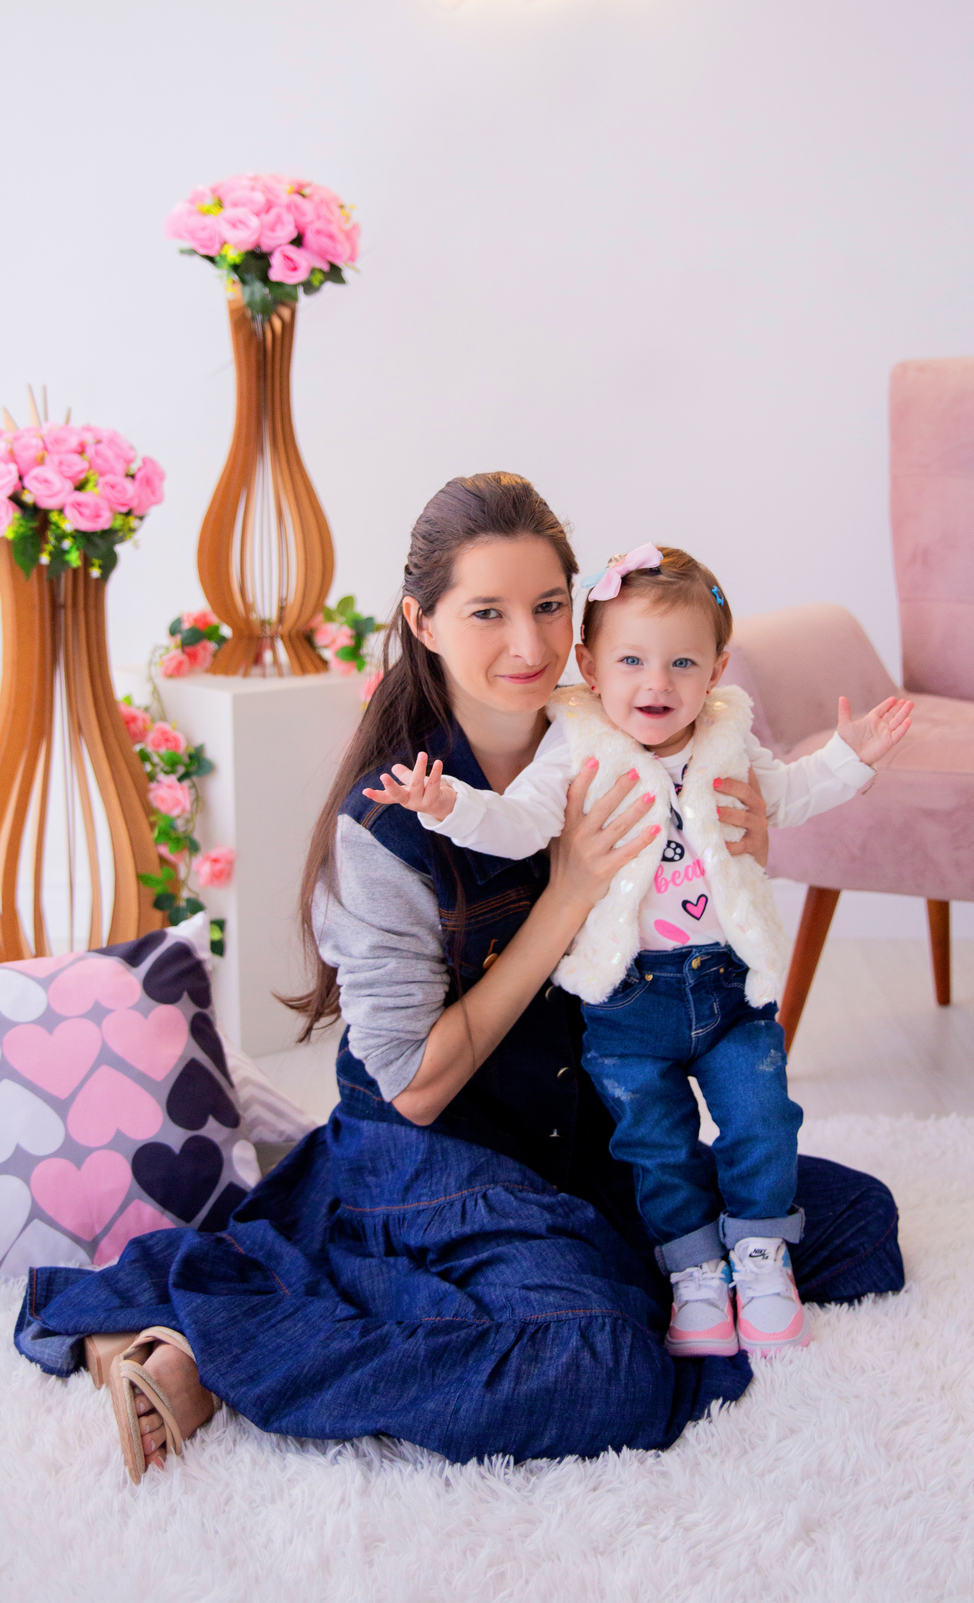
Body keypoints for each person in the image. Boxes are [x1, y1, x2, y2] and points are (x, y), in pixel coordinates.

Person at [14, 474, 904, 1478]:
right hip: (436, 1157)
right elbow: (417, 1085)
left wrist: (733, 852)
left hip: (585, 1131)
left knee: (854, 1226)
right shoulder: (392, 826)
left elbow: (701, 894)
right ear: (423, 624)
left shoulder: (626, 742)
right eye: (487, 612)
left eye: (548, 607)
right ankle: (221, 1347)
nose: (525, 645)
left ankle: (449, 1279)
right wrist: (566, 895)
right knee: (603, 1362)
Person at [362, 541, 912, 1360]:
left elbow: (787, 795)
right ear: (592, 664)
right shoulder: (575, 746)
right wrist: (447, 804)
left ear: (718, 670)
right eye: (631, 661)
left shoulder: (723, 737)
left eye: (683, 663)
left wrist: (850, 760)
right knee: (649, 1162)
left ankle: (759, 1254)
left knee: (782, 1141)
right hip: (610, 1018)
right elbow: (519, 819)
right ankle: (693, 1268)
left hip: (722, 993)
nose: (656, 683)